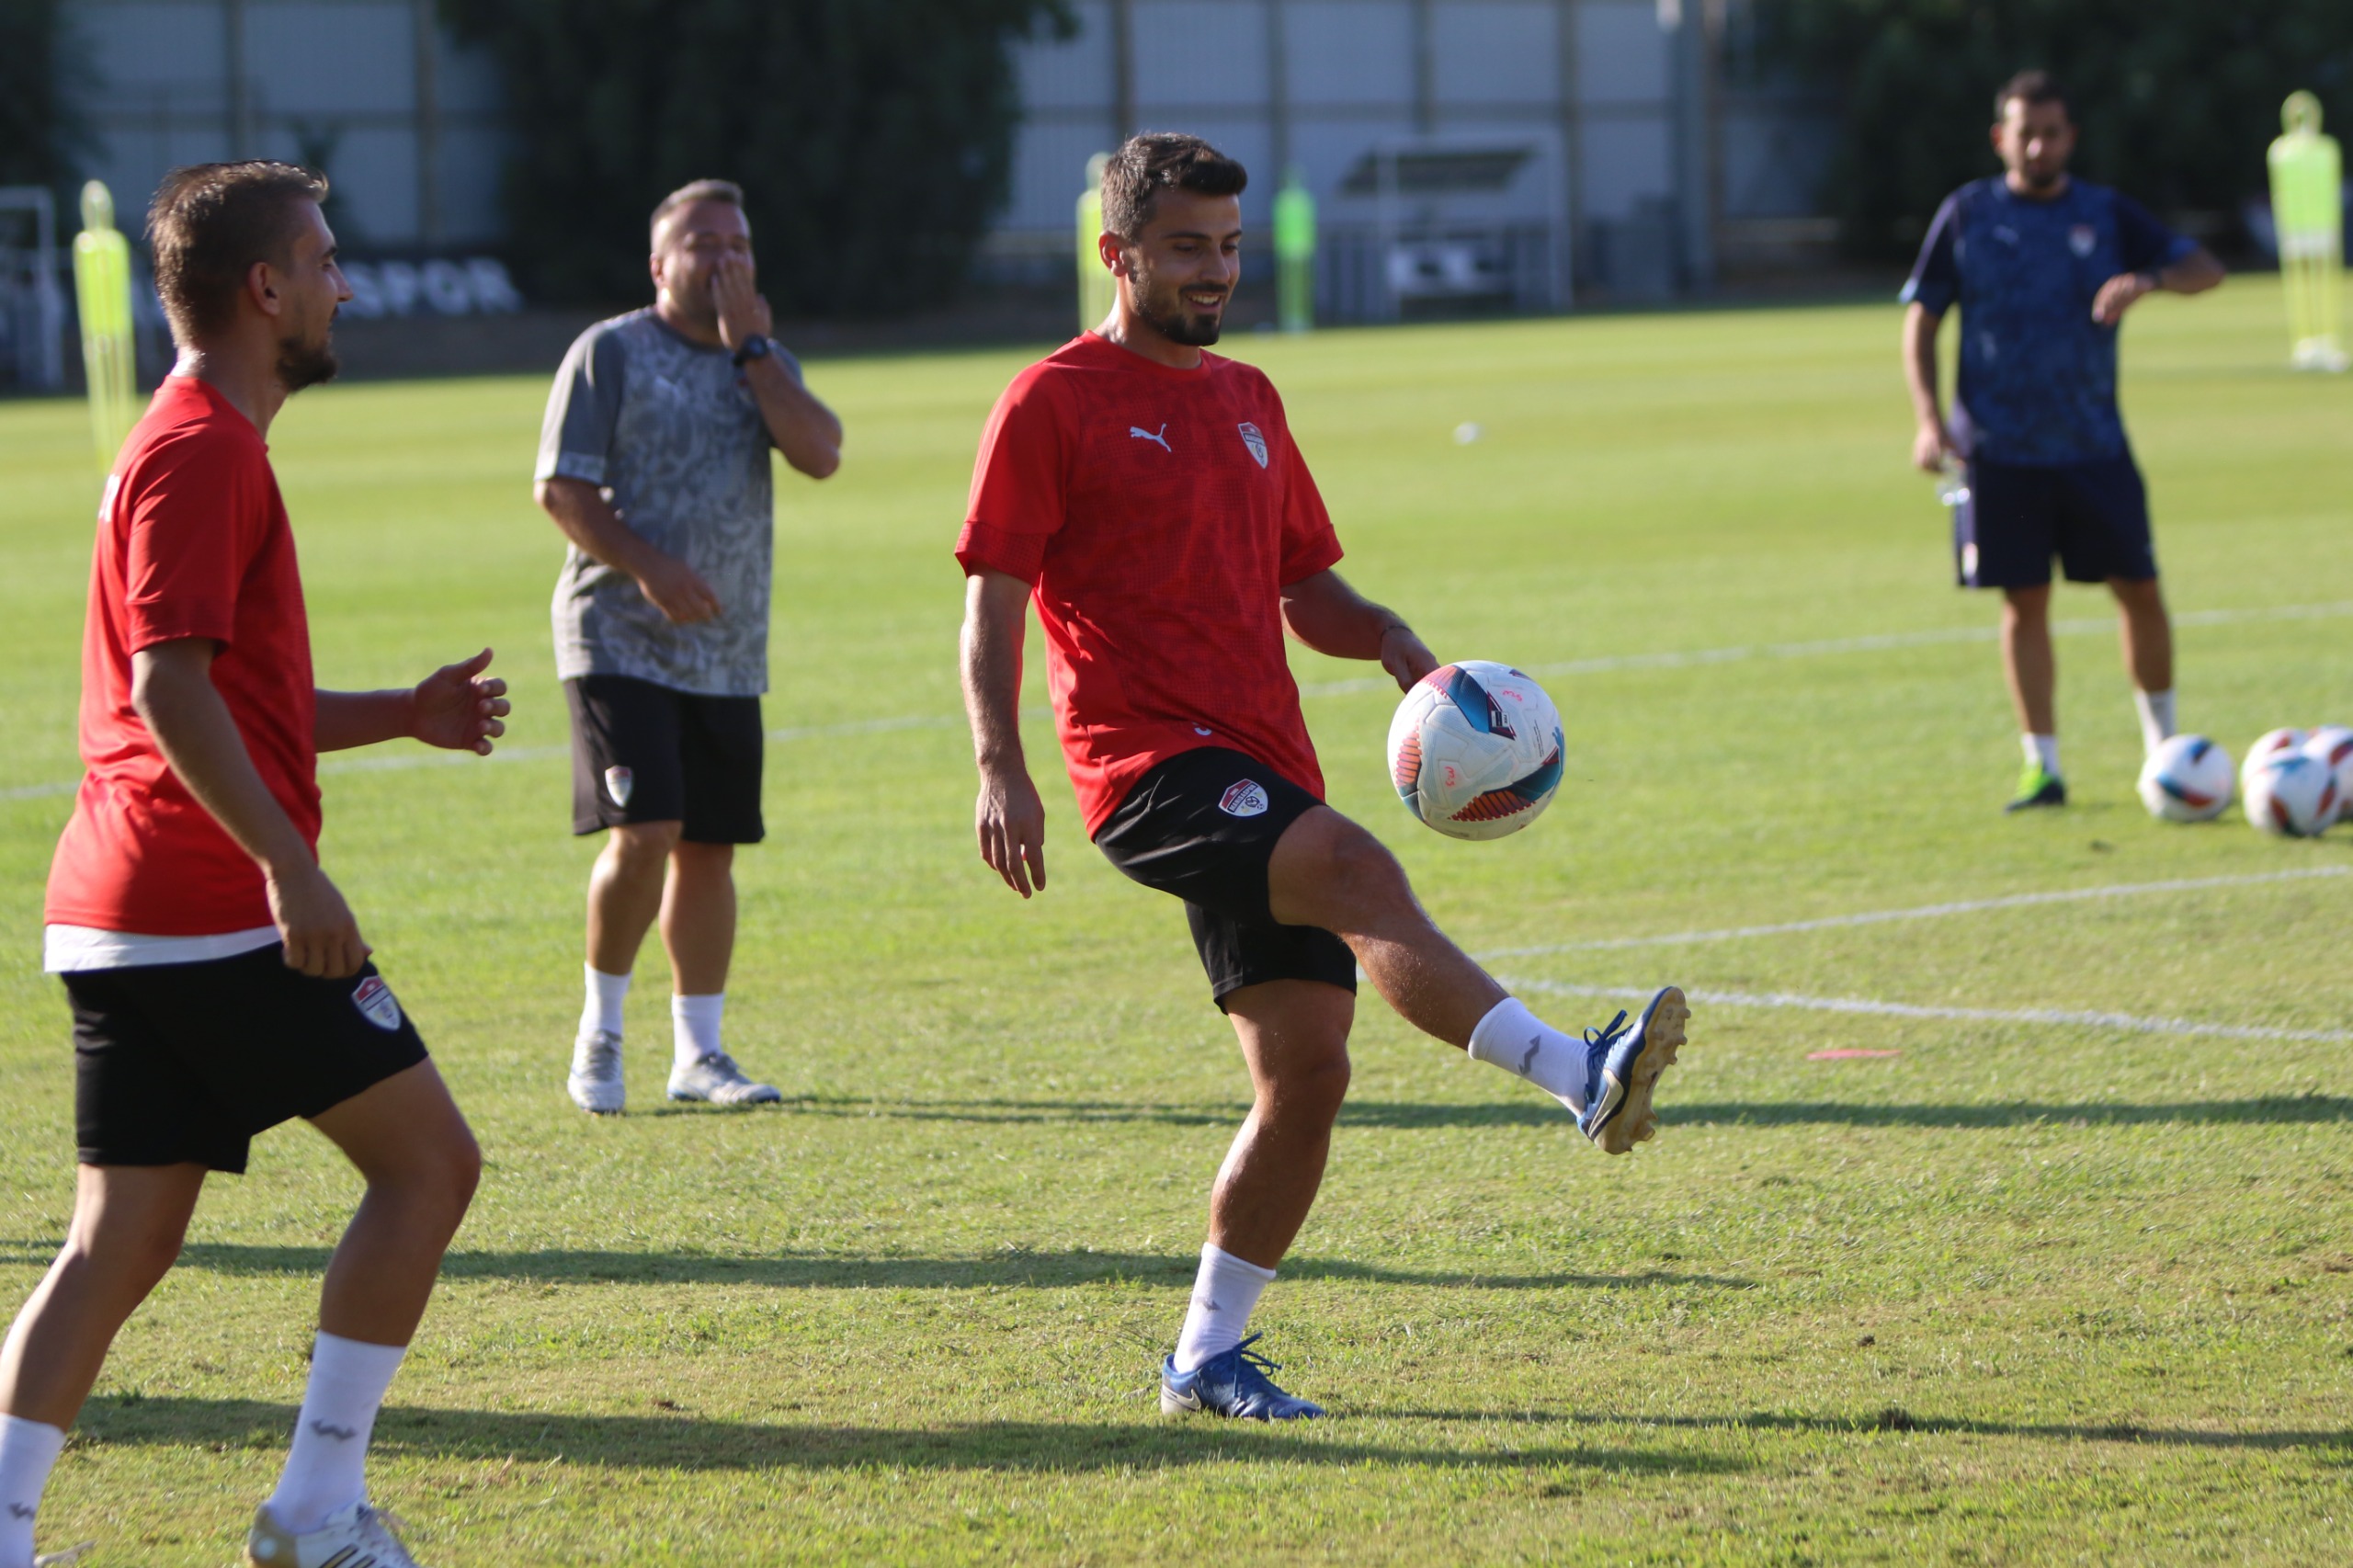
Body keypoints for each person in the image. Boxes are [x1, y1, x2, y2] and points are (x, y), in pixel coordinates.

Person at [956, 133, 1690, 1422]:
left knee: (1307, 1074)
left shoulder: (1248, 401)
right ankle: (1583, 1074)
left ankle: (1201, 1358)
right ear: (1116, 252)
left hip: (1261, 757)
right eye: (1187, 248)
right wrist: (999, 765)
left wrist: (1395, 640)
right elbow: (995, 602)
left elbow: (1302, 584)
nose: (1215, 272)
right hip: (1146, 769)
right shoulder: (1050, 402)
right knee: (1358, 868)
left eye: (1228, 248)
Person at [0, 162, 504, 1568]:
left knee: (118, 1245)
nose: (344, 282)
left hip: (116, 910)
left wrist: (398, 714)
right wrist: (291, 870)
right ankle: (315, 1514)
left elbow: (234, 692)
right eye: (324, 258)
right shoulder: (206, 444)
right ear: (263, 286)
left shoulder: (199, 439)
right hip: (206, 906)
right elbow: (169, 688)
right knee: (431, 1169)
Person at [536, 178, 843, 1115]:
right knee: (646, 832)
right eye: (703, 243)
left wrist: (753, 350)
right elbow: (562, 490)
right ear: (659, 263)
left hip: (726, 648)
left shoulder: (763, 359)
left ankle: (699, 1054)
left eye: (739, 244)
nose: (725, 259)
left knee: (709, 849)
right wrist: (647, 567)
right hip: (618, 635)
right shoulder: (610, 352)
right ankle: (600, 1030)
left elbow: (820, 451)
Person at [1902, 70, 2223, 812]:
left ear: (2071, 137)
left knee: (2139, 591)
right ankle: (2041, 766)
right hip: (2000, 451)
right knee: (2025, 603)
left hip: (2094, 446)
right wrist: (1928, 420)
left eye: (2051, 131)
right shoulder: (1967, 214)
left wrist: (2147, 280)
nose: (2039, 144)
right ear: (2000, 137)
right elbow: (1921, 320)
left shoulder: (2105, 213)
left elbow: (2206, 270)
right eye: (2025, 131)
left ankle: (2163, 753)